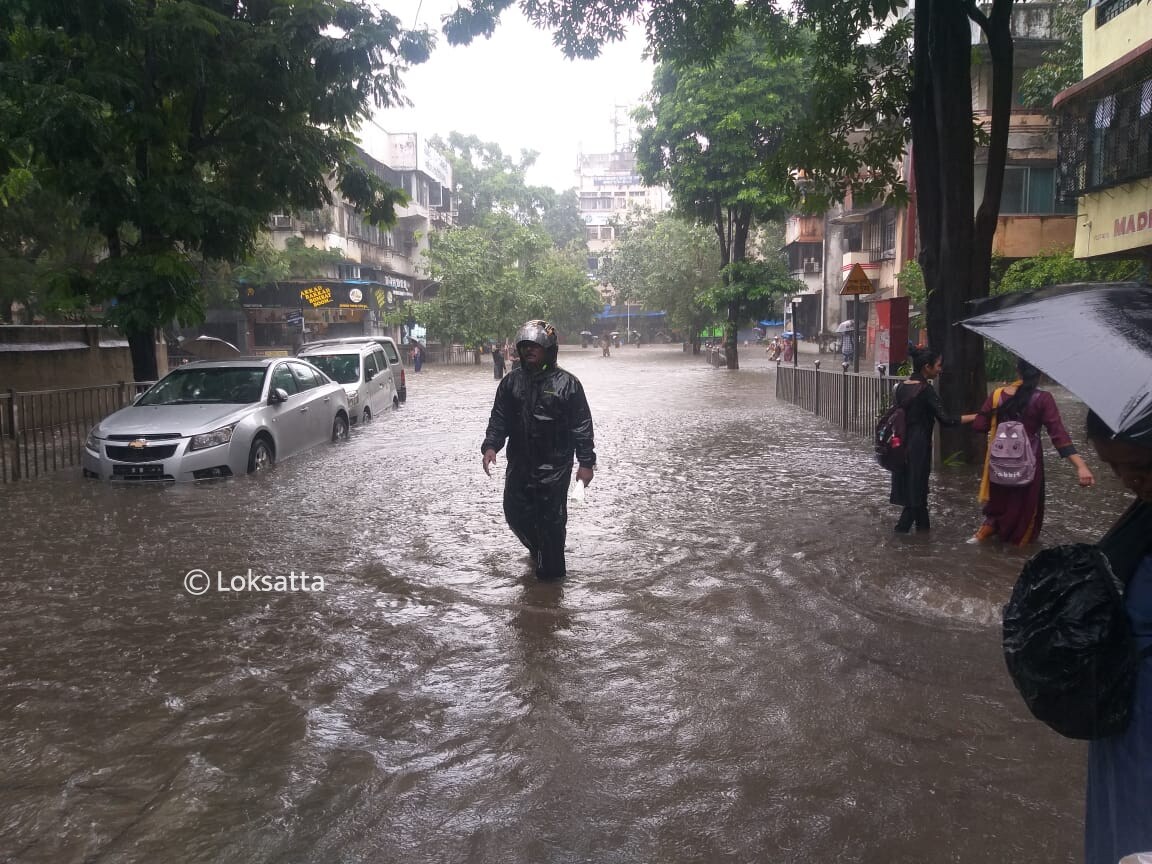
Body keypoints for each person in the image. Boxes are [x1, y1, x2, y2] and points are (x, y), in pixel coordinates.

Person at [1081, 410, 1152, 864]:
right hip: (1125, 719)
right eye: (1113, 468)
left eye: (1139, 468)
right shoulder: (1143, 517)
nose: (1128, 481)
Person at [482, 320, 596, 581]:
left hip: (554, 468)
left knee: (551, 523)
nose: (529, 351)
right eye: (525, 347)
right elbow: (500, 418)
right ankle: (538, 549)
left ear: (549, 349)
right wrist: (491, 446)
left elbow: (582, 426)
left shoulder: (568, 384)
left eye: (535, 346)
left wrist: (586, 463)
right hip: (520, 464)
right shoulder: (511, 383)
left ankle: (551, 587)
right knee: (514, 513)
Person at [968, 358, 1095, 545]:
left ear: (1017, 370)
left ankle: (982, 535)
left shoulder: (996, 395)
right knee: (1025, 516)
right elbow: (1058, 436)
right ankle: (1014, 560)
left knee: (998, 505)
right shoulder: (1043, 399)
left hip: (998, 463)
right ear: (1040, 373)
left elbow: (979, 426)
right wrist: (1081, 466)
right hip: (1029, 466)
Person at [889, 347, 977, 532]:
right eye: (938, 365)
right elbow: (946, 420)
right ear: (926, 367)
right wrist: (977, 416)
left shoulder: (901, 387)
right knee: (916, 498)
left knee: (918, 495)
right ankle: (899, 536)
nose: (940, 369)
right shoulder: (925, 390)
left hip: (901, 445)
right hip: (919, 446)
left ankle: (923, 540)